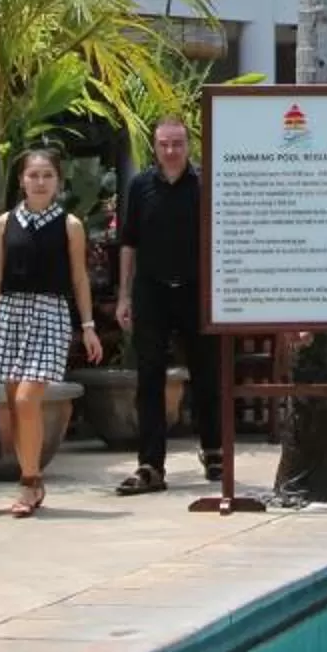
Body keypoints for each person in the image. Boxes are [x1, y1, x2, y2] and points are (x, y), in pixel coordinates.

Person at [0, 145, 101, 518]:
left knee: (29, 399)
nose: (40, 182)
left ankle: (28, 482)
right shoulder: (4, 222)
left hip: (49, 313)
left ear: (58, 181)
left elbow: (79, 278)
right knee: (14, 405)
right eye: (33, 175)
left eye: (47, 175)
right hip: (10, 313)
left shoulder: (70, 225)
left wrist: (88, 326)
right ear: (21, 181)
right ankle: (32, 479)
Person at [115, 115, 214, 496]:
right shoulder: (140, 187)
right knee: (149, 378)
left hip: (197, 291)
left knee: (207, 372)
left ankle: (214, 449)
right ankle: (150, 465)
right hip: (152, 291)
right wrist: (124, 295)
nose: (171, 151)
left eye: (178, 144)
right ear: (155, 148)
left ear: (189, 146)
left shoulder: (204, 184)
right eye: (164, 145)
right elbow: (129, 243)